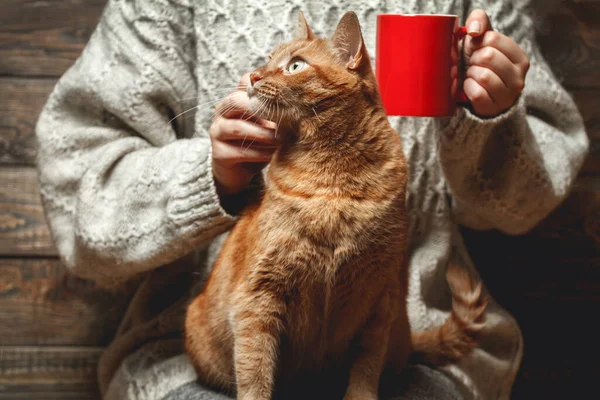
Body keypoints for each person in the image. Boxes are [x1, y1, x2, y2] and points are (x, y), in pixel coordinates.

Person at [35, 0, 588, 399]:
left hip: (396, 341)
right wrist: (212, 175)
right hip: (201, 353)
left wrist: (488, 117)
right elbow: (79, 194)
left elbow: (525, 205)